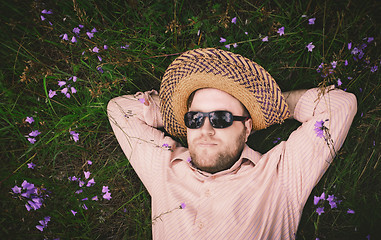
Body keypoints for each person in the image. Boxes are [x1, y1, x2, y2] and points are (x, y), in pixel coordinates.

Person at [107, 48, 357, 239]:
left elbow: (339, 106)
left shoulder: (279, 177)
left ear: (247, 128)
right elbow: (119, 109)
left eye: (221, 118)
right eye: (195, 118)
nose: (205, 129)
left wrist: (272, 106)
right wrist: (174, 114)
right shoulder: (164, 167)